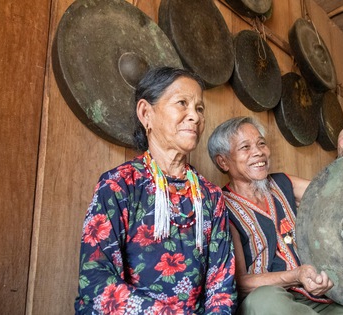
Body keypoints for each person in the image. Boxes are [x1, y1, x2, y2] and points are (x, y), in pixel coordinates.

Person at [74, 67, 236, 314]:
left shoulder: (211, 196)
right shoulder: (119, 185)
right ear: (145, 113)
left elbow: (222, 285)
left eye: (199, 108)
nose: (194, 116)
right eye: (182, 103)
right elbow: (95, 280)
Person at [207, 116, 343, 315]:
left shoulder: (282, 182)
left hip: (318, 294)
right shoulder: (223, 206)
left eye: (261, 143)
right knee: (264, 302)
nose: (258, 152)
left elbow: (333, 197)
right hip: (277, 301)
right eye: (245, 147)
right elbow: (241, 282)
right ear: (223, 161)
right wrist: (296, 275)